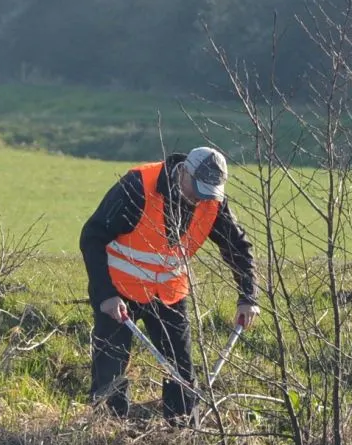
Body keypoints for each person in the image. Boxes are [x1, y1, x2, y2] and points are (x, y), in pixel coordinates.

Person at [79, 147, 259, 425]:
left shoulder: (212, 200)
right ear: (184, 171)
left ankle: (184, 436)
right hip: (118, 290)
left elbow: (237, 247)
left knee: (181, 369)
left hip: (169, 294)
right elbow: (92, 236)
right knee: (110, 366)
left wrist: (248, 295)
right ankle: (107, 434)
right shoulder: (138, 186)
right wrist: (105, 295)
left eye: (209, 192)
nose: (200, 197)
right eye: (197, 188)